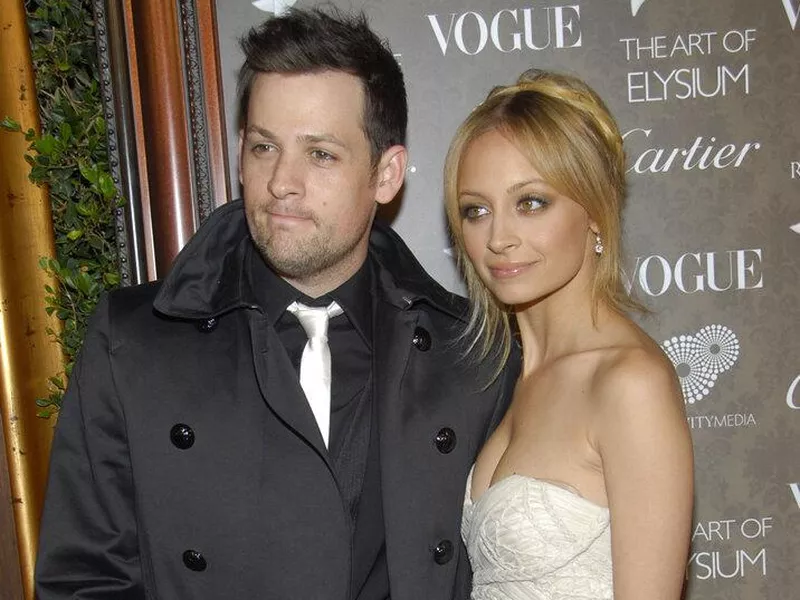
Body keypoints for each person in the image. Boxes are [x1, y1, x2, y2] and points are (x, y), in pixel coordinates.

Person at [35, 8, 517, 600]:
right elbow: (86, 581)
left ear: (386, 174)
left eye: (320, 154)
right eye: (265, 147)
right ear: (240, 151)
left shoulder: (470, 356)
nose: (282, 181)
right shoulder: (132, 342)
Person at [444, 70, 694, 600]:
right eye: (476, 210)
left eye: (531, 202)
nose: (499, 237)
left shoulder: (629, 383)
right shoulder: (511, 378)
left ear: (596, 213)